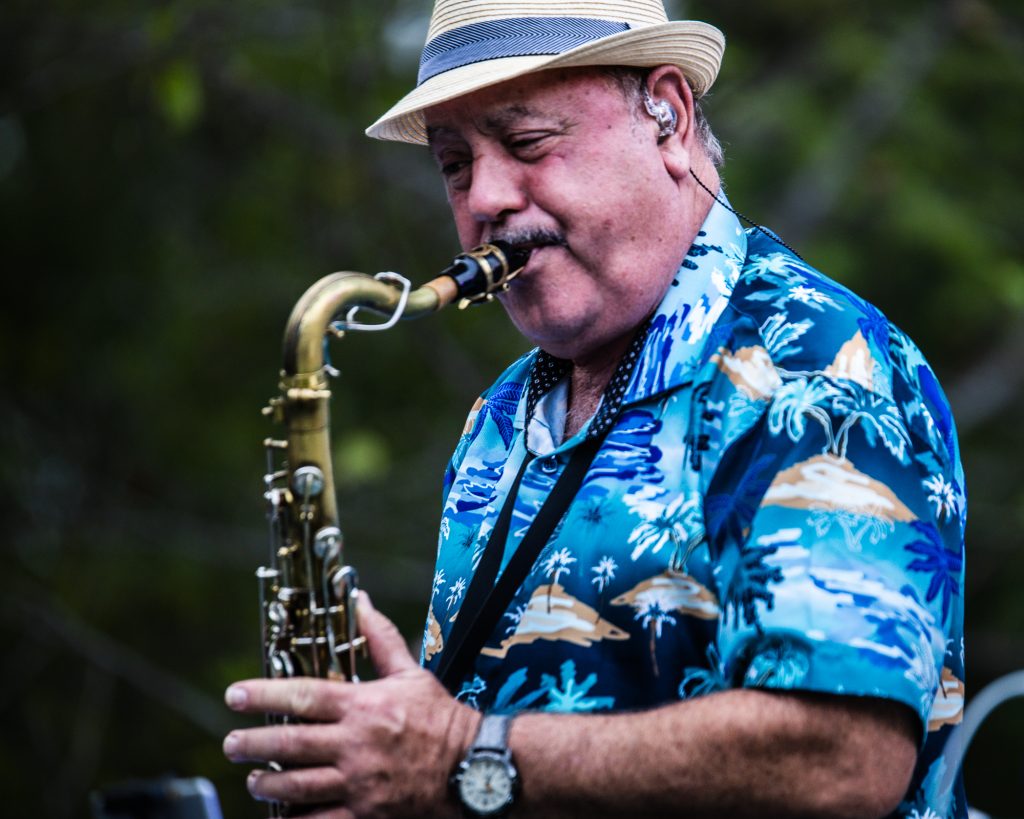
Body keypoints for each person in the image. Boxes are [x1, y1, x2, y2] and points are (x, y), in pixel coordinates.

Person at [222, 1, 968, 817]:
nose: (486, 198)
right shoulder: (501, 415)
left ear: (669, 117)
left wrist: (455, 754)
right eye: (455, 164)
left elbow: (845, 757)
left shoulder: (814, 361)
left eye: (526, 142)